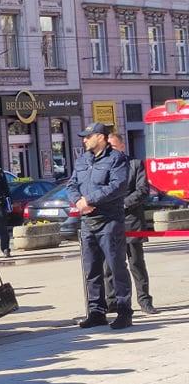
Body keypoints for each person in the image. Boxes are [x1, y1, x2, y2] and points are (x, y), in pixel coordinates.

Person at [67, 122, 132, 330]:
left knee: (116, 267)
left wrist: (90, 200)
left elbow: (118, 186)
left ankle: (124, 311)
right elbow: (71, 184)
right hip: (87, 221)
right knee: (91, 270)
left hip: (109, 220)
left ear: (101, 137)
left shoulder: (117, 159)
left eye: (88, 136)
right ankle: (96, 312)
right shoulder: (83, 160)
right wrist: (79, 201)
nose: (84, 140)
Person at [106, 133, 157, 315]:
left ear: (122, 146)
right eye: (107, 146)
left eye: (112, 146)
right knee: (109, 266)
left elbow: (143, 190)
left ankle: (144, 301)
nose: (109, 149)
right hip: (110, 223)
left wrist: (123, 204)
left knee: (136, 264)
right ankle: (112, 303)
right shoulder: (105, 167)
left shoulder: (135, 165)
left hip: (131, 222)